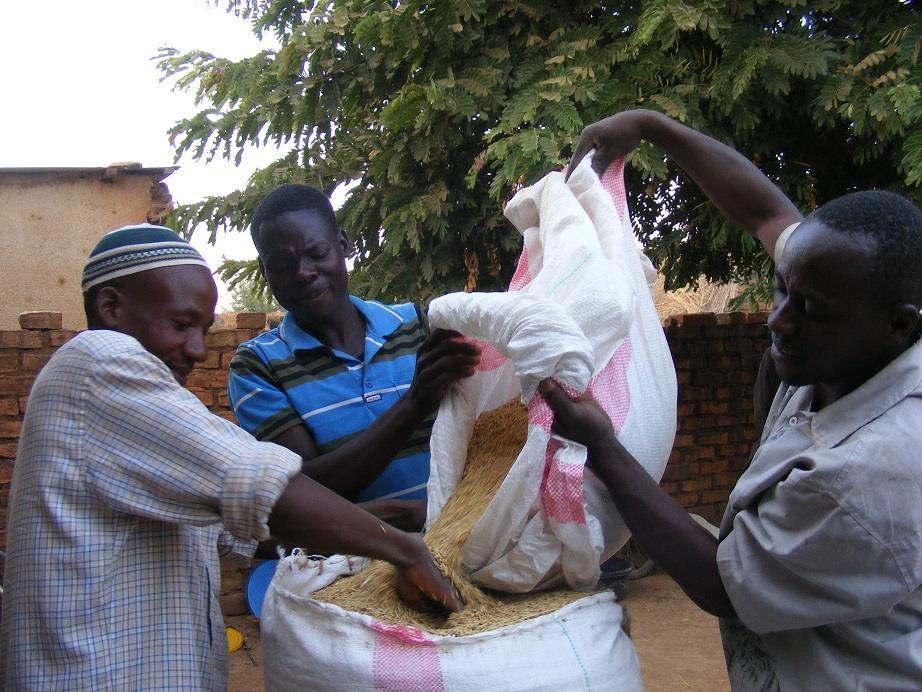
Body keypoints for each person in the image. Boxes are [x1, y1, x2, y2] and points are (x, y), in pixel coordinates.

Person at [541, 109, 922, 689]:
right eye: (780, 289)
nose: (779, 320)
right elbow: (767, 213)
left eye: (810, 310)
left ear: (900, 325)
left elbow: (725, 584)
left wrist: (602, 447)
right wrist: (653, 128)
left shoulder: (870, 471)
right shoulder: (845, 304)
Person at [0, 224, 462, 690]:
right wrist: (406, 549)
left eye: (204, 329)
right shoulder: (100, 362)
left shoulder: (135, 417)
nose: (199, 350)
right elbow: (267, 490)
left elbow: (249, 532)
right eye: (181, 324)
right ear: (111, 308)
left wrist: (404, 513)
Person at [228, 185, 479, 531]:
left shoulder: (421, 326)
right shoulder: (258, 367)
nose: (303, 272)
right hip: (356, 573)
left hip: (468, 536)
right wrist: (413, 405)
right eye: (283, 264)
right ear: (264, 270)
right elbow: (306, 494)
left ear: (343, 245)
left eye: (316, 252)